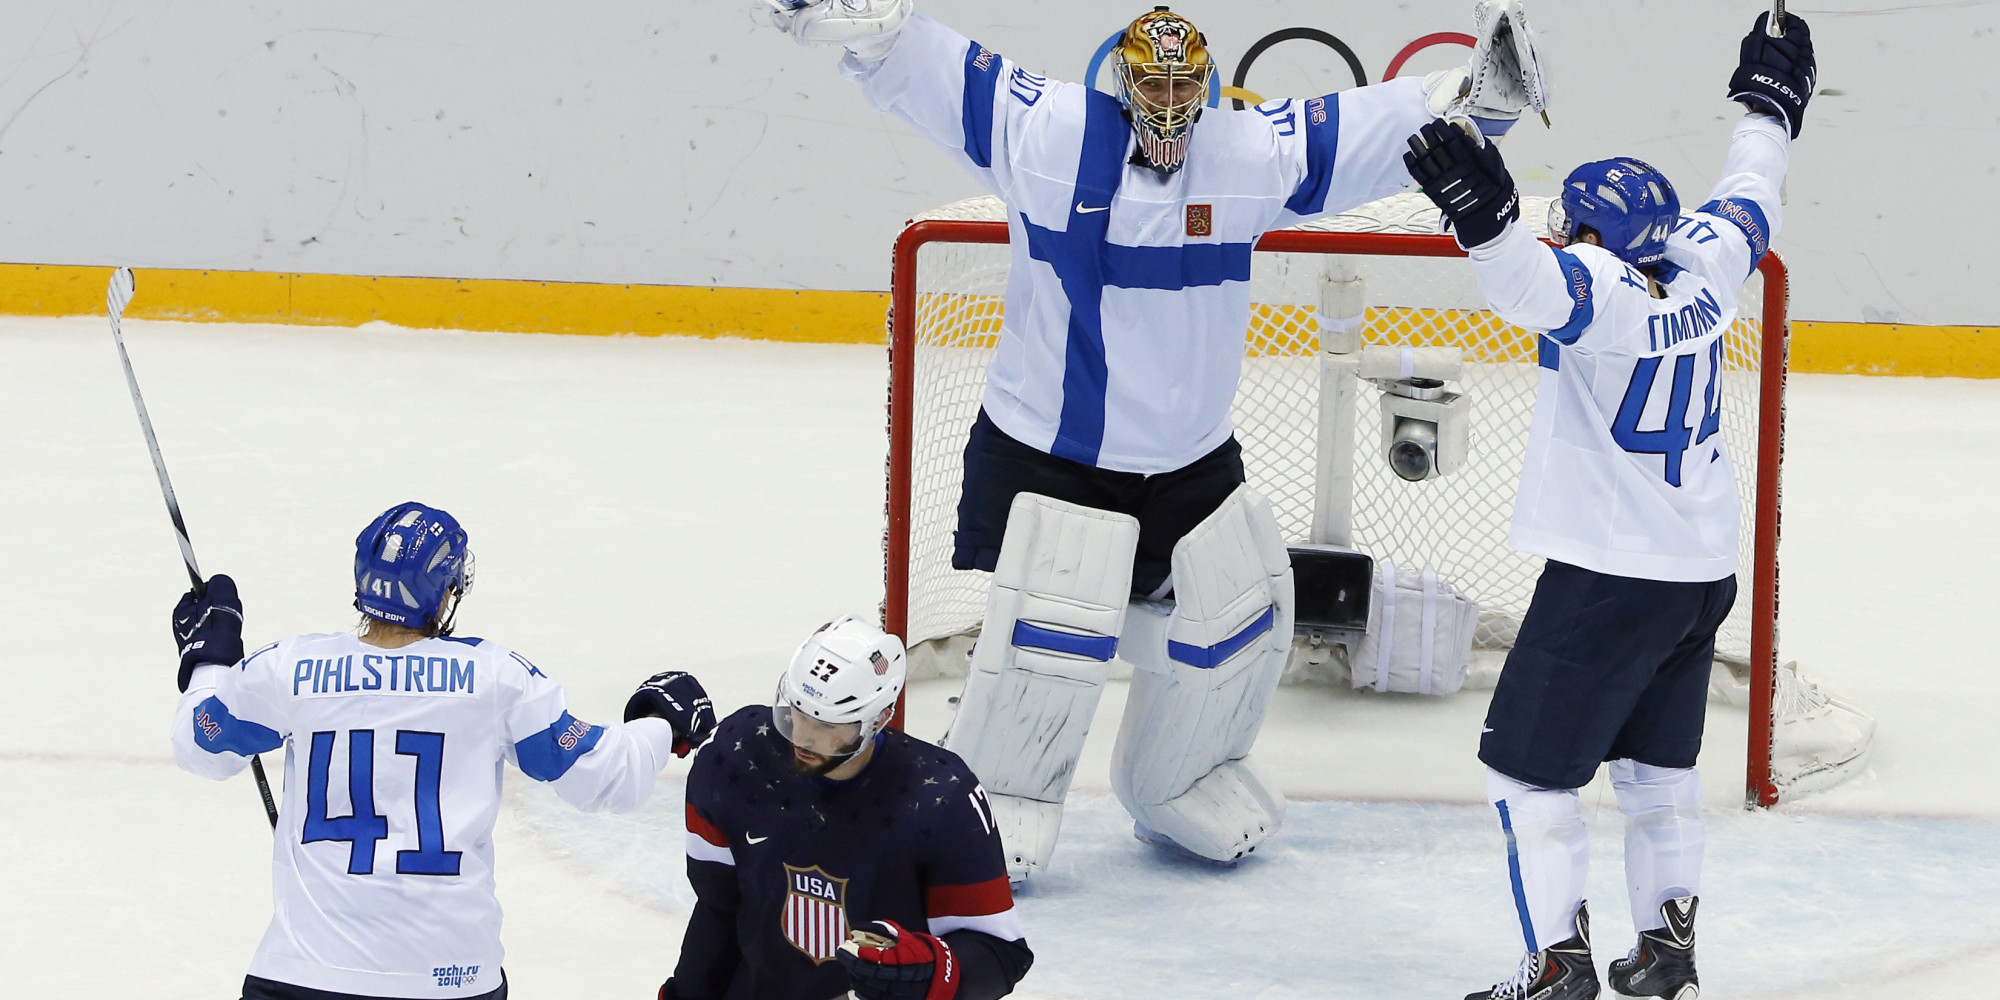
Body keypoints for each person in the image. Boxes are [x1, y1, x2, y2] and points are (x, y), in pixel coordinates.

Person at [767, 0, 1552, 879]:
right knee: (1047, 643)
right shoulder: (1051, 131)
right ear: (1119, 82)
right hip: (1052, 454)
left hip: (1192, 457)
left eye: (1187, 84)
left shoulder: (1243, 150)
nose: (1172, 103)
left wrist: (1472, 93)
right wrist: (871, 27)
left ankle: (1180, 780)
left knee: (1241, 626)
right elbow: (941, 72)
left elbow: (1358, 127)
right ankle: (1001, 794)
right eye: (1153, 84)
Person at [1400, 11, 1816, 1000]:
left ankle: (1556, 965)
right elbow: (1752, 184)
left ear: (1592, 236)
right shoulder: (1712, 261)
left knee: (1525, 777)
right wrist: (1770, 105)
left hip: (1606, 579)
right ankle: (1665, 952)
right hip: (1698, 575)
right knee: (1656, 774)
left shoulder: (1595, 284)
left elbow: (1520, 285)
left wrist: (1488, 225)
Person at [170, 501, 716, 1000]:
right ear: (446, 590)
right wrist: (660, 724)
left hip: (304, 975)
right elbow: (607, 778)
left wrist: (209, 659)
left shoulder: (290, 669)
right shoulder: (495, 678)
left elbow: (202, 743)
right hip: (449, 980)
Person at [658, 615, 1033, 1000]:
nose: (802, 737)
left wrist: (930, 966)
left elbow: (1001, 954)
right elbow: (719, 908)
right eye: (797, 713)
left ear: (880, 718)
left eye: (827, 725)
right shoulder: (734, 759)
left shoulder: (943, 797)